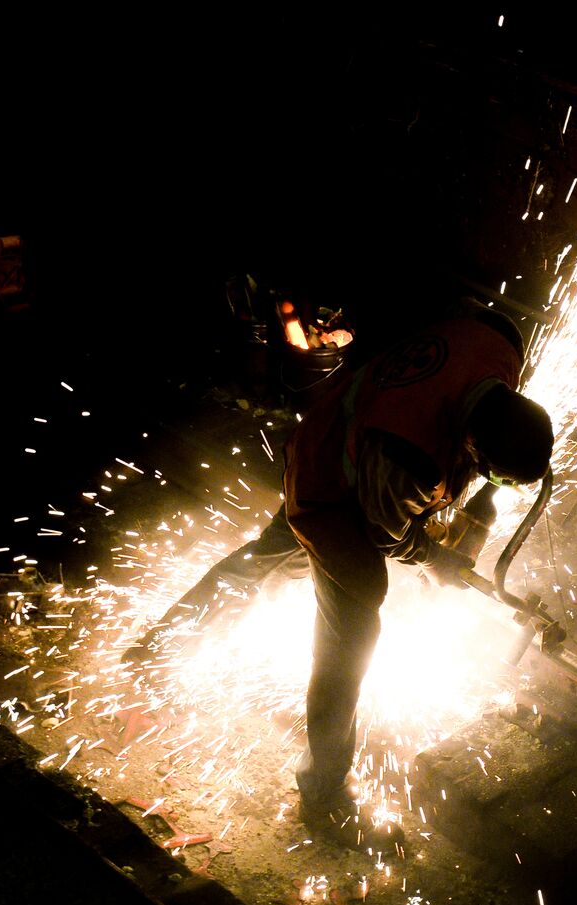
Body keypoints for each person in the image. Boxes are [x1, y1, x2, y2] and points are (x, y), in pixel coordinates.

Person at [132, 297, 555, 850]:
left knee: (265, 558)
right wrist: (438, 561)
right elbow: (388, 537)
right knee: (354, 629)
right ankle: (323, 795)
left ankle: (159, 646)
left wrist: (481, 506)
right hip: (325, 484)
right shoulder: (411, 457)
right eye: (490, 472)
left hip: (344, 431)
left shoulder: (497, 342)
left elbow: (482, 343)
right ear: (472, 444)